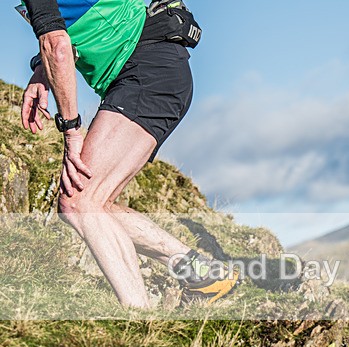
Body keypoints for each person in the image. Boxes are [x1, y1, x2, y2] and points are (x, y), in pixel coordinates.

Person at [18, 0, 237, 308]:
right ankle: (202, 274)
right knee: (94, 203)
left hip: (146, 72)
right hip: (153, 71)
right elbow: (71, 33)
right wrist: (43, 71)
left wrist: (71, 132)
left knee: (79, 201)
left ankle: (138, 319)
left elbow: (59, 46)